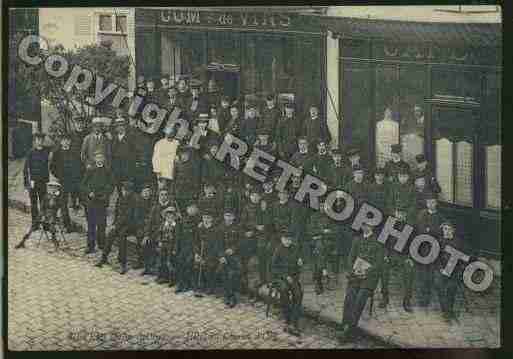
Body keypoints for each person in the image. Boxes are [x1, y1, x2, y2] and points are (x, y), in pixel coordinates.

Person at [337, 222, 385, 343]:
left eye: (368, 225)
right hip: (356, 275)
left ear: (372, 227)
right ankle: (345, 326)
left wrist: (366, 271)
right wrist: (352, 270)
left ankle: (349, 331)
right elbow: (350, 258)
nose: (365, 227)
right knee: (349, 298)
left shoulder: (378, 242)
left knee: (359, 300)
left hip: (369, 278)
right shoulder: (356, 240)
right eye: (363, 225)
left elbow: (379, 264)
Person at [380, 163, 416, 312]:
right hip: (391, 253)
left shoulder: (412, 189)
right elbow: (388, 202)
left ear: (408, 177)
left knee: (409, 270)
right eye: (400, 176)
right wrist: (394, 213)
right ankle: (384, 297)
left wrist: (406, 215)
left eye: (405, 176)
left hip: (404, 255)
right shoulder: (392, 188)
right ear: (398, 177)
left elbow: (414, 206)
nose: (402, 178)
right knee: (383, 267)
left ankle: (407, 300)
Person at [95, 180, 138, 274]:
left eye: (126, 190)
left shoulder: (134, 199)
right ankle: (104, 258)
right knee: (111, 234)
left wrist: (116, 225)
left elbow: (128, 216)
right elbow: (116, 212)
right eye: (123, 189)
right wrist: (114, 224)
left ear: (130, 191)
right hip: (120, 224)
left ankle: (123, 263)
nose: (124, 191)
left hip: (131, 225)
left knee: (122, 236)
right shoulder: (120, 198)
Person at [270, 230, 304, 336]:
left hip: (292, 278)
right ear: (282, 239)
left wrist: (300, 262)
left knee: (298, 294)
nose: (288, 241)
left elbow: (299, 262)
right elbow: (273, 268)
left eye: (290, 239)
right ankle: (287, 318)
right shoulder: (278, 250)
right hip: (280, 278)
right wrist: (285, 276)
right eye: (286, 239)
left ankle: (294, 322)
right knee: (284, 290)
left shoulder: (295, 248)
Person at [435, 221, 470, 322]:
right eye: (444, 229)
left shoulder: (459, 243)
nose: (446, 231)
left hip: (454, 271)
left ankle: (449, 311)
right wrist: (441, 269)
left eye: (448, 229)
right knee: (440, 288)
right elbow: (435, 257)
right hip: (442, 270)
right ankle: (445, 310)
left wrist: (459, 269)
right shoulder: (440, 241)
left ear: (453, 231)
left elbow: (464, 258)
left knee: (451, 290)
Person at [80, 152, 114, 254]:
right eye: (97, 157)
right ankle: (90, 246)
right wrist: (89, 192)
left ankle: (102, 244)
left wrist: (105, 193)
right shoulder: (90, 170)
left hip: (102, 201)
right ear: (94, 159)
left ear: (104, 159)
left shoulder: (108, 171)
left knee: (102, 224)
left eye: (101, 157)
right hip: (91, 201)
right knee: (91, 224)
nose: (99, 159)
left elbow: (111, 185)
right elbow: (82, 185)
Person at [416, 192, 445, 307]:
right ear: (426, 203)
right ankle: (423, 299)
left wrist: (430, 230)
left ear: (436, 203)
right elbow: (421, 230)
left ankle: (436, 299)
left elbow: (441, 233)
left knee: (433, 274)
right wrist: (433, 230)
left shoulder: (440, 216)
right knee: (423, 275)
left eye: (433, 202)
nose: (431, 204)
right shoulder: (422, 214)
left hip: (435, 249)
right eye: (429, 202)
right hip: (423, 248)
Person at [15, 181, 62, 249]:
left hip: (53, 215)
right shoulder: (46, 196)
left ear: (57, 189)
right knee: (33, 225)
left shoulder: (58, 198)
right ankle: (22, 242)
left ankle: (56, 243)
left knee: (52, 225)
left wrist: (57, 214)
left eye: (55, 187)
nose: (53, 189)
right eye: (51, 187)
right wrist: (42, 215)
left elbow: (60, 208)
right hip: (44, 214)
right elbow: (42, 207)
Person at [49, 134, 81, 232]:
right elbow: (52, 167)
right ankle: (66, 225)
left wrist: (76, 176)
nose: (66, 142)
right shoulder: (57, 153)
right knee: (63, 203)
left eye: (68, 140)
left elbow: (79, 165)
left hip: (73, 181)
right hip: (62, 181)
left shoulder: (74, 152)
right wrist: (59, 175)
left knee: (77, 200)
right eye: (64, 140)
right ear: (61, 142)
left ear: (70, 142)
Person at [142, 188, 173, 280]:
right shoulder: (155, 207)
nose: (163, 197)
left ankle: (162, 273)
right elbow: (149, 222)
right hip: (154, 234)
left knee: (162, 248)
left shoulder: (171, 207)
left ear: (168, 196)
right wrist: (146, 235)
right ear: (159, 196)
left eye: (165, 195)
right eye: (162, 195)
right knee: (146, 243)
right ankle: (148, 268)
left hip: (165, 234)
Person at [239, 189, 266, 294]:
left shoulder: (263, 207)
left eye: (257, 195)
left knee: (262, 257)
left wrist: (261, 228)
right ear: (250, 197)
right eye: (253, 195)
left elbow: (267, 222)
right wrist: (253, 228)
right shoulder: (246, 207)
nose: (255, 197)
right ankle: (246, 284)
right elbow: (243, 223)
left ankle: (262, 282)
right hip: (250, 235)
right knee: (246, 258)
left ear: (260, 197)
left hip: (261, 236)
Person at [308, 201, 336, 294]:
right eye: (321, 205)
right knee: (319, 247)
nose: (322, 207)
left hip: (328, 242)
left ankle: (318, 280)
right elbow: (311, 231)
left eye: (324, 205)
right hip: (317, 242)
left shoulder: (331, 218)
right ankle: (323, 272)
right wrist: (323, 231)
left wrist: (321, 234)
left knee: (320, 250)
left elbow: (335, 232)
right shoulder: (313, 217)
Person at [24, 132, 51, 229]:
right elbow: (26, 168)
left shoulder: (46, 152)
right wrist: (27, 183)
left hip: (43, 181)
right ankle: (35, 224)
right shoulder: (30, 152)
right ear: (35, 141)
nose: (39, 141)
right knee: (34, 203)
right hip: (33, 182)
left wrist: (48, 180)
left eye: (41, 139)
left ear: (43, 141)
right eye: (37, 139)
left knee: (44, 203)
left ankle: (45, 223)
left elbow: (48, 166)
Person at [217, 211, 242, 308]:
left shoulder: (238, 228)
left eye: (230, 216)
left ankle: (233, 296)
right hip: (223, 256)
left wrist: (233, 249)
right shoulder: (220, 228)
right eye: (226, 215)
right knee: (223, 272)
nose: (228, 218)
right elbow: (218, 244)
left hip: (235, 256)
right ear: (224, 216)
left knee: (232, 274)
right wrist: (221, 256)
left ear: (234, 217)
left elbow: (240, 242)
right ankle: (227, 295)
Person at [194, 213, 222, 295]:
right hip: (201, 253)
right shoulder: (200, 229)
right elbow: (196, 242)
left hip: (211, 256)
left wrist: (206, 259)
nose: (206, 220)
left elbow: (216, 247)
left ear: (212, 219)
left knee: (209, 266)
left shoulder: (215, 230)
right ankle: (199, 285)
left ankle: (210, 287)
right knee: (196, 265)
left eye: (208, 218)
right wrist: (196, 254)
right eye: (204, 218)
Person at [175, 203, 200, 293]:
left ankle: (189, 284)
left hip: (193, 248)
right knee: (180, 262)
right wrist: (176, 248)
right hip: (183, 247)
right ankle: (181, 284)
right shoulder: (182, 220)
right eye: (190, 208)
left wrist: (196, 251)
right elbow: (178, 236)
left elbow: (198, 238)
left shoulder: (199, 221)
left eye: (193, 208)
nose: (191, 210)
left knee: (189, 264)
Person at [111, 117, 135, 195]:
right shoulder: (113, 139)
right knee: (118, 186)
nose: (120, 128)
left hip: (127, 166)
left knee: (127, 186)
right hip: (117, 167)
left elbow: (134, 152)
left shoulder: (130, 137)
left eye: (122, 125)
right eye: (118, 126)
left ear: (125, 127)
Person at [152, 125, 179, 191]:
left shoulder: (177, 143)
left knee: (173, 190)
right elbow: (155, 159)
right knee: (163, 190)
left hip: (174, 172)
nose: (170, 133)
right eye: (169, 131)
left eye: (172, 132)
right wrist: (158, 172)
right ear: (165, 132)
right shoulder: (159, 143)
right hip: (162, 172)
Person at [173, 146, 201, 210]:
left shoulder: (193, 165)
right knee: (179, 208)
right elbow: (174, 177)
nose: (185, 156)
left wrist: (195, 192)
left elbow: (196, 179)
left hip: (189, 191)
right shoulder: (177, 164)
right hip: (179, 190)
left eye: (186, 154)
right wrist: (174, 191)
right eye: (183, 154)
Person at [133, 182, 154, 268]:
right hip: (141, 226)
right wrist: (144, 223)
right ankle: (140, 260)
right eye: (145, 192)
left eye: (148, 191)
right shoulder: (138, 202)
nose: (146, 193)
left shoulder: (153, 202)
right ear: (141, 193)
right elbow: (137, 217)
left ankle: (149, 262)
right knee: (140, 235)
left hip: (151, 226)